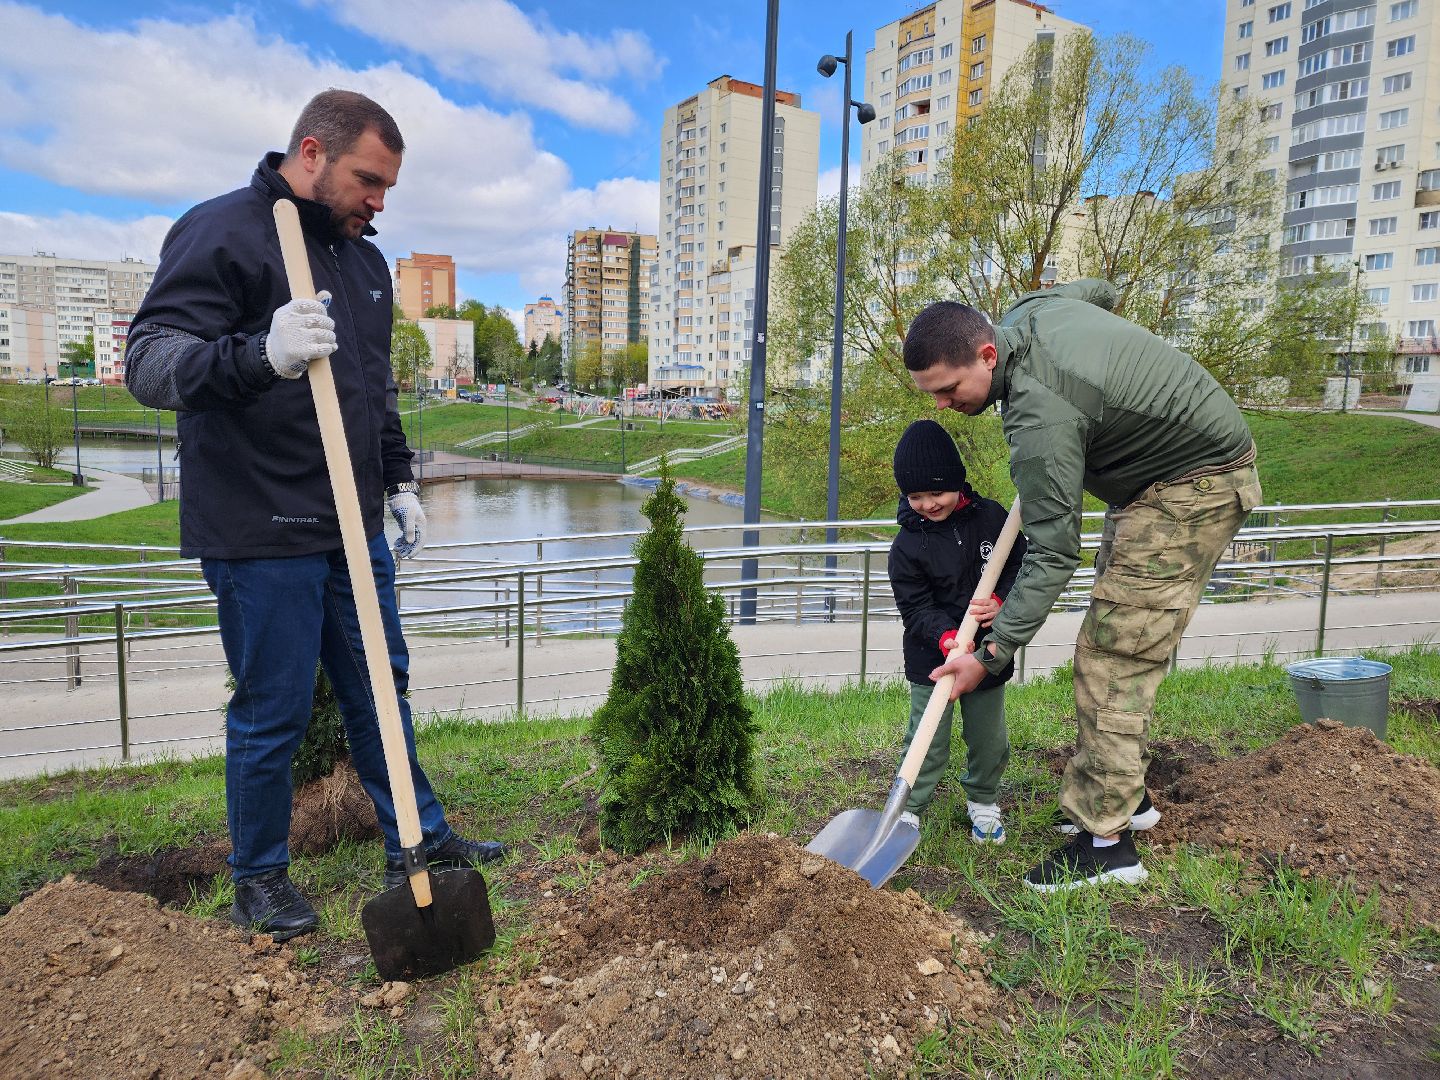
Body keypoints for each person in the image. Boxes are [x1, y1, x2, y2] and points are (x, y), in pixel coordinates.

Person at [126, 90, 505, 940]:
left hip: (353, 522)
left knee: (382, 686)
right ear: (311, 153)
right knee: (274, 708)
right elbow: (150, 366)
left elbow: (374, 392)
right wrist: (259, 355)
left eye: (389, 188)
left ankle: (420, 837)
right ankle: (258, 878)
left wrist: (399, 481)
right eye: (369, 180)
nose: (379, 201)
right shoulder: (221, 232)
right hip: (261, 528)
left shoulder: (365, 265)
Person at [904, 279, 1262, 893]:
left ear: (987, 355)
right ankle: (1128, 796)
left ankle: (1107, 843)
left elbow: (1052, 552)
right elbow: (1101, 291)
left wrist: (992, 656)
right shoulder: (1031, 312)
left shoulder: (1038, 422)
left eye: (949, 390)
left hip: (1192, 487)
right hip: (1155, 483)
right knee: (1117, 630)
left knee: (1114, 655)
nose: (942, 405)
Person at [888, 420, 1027, 843]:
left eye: (937, 492)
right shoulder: (907, 546)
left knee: (990, 740)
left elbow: (1019, 566)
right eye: (916, 496)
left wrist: (1000, 601)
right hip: (934, 658)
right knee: (927, 738)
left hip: (988, 652)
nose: (928, 504)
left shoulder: (993, 520)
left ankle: (983, 801)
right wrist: (947, 637)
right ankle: (908, 809)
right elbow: (915, 607)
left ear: (957, 482)